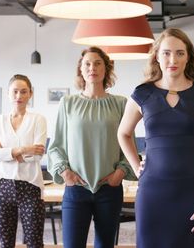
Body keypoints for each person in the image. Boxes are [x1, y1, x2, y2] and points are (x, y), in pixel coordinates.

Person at [117, 28, 194, 248]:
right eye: (166, 53)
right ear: (156, 56)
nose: (172, 59)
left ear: (188, 57)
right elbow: (123, 133)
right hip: (152, 193)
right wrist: (137, 167)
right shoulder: (142, 94)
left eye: (179, 53)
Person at [47, 46, 134, 248]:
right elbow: (56, 145)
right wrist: (65, 172)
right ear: (81, 69)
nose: (92, 67)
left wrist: (120, 173)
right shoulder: (67, 103)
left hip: (109, 189)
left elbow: (129, 144)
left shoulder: (120, 103)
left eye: (97, 63)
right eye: (87, 63)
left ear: (106, 69)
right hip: (76, 188)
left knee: (105, 245)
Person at [0, 74, 47, 248]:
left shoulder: (38, 120)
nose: (19, 96)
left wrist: (4, 152)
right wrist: (21, 150)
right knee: (5, 244)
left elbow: (37, 155)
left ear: (30, 94)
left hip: (31, 187)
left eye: (23, 92)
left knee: (35, 243)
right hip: (3, 187)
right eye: (15, 91)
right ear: (8, 94)